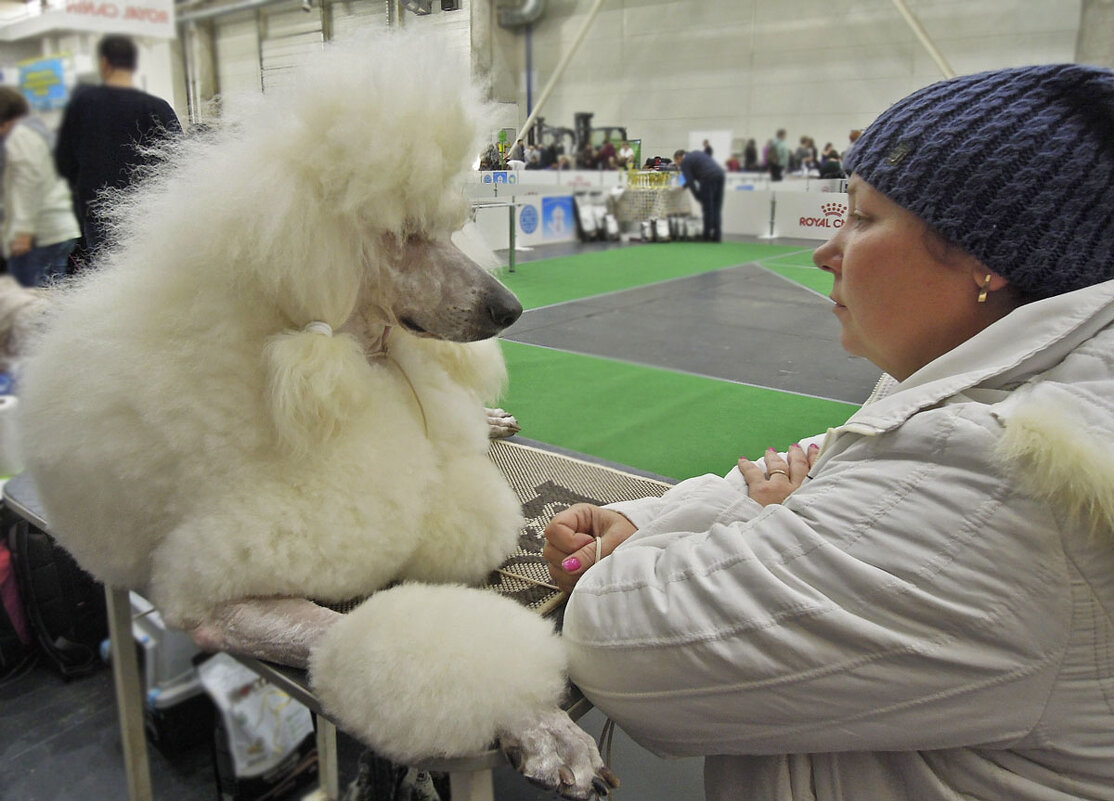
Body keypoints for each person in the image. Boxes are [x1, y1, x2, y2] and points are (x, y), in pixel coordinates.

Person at [546, 63, 1114, 800]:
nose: (828, 250)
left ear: (987, 258)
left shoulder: (1000, 477)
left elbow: (615, 638)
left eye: (865, 218)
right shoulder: (1016, 393)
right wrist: (646, 516)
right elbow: (830, 465)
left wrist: (760, 516)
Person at [55, 35, 181, 262]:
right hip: (148, 213)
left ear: (104, 63)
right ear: (133, 64)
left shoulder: (81, 106)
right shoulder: (157, 107)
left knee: (107, 281)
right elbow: (179, 160)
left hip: (98, 214)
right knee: (149, 274)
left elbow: (64, 162)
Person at [0, 87, 80, 287]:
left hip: (38, 235)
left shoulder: (19, 136)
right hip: (58, 228)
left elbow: (28, 182)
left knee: (30, 304)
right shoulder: (40, 131)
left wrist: (23, 231)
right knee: (52, 297)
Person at [674, 148, 725, 242]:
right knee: (716, 207)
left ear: (679, 158)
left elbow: (690, 181)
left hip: (707, 177)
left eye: (676, 161)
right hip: (720, 175)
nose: (677, 164)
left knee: (708, 208)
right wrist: (684, 186)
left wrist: (698, 197)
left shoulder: (685, 162)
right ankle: (717, 235)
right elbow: (692, 177)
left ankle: (706, 235)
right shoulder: (696, 154)